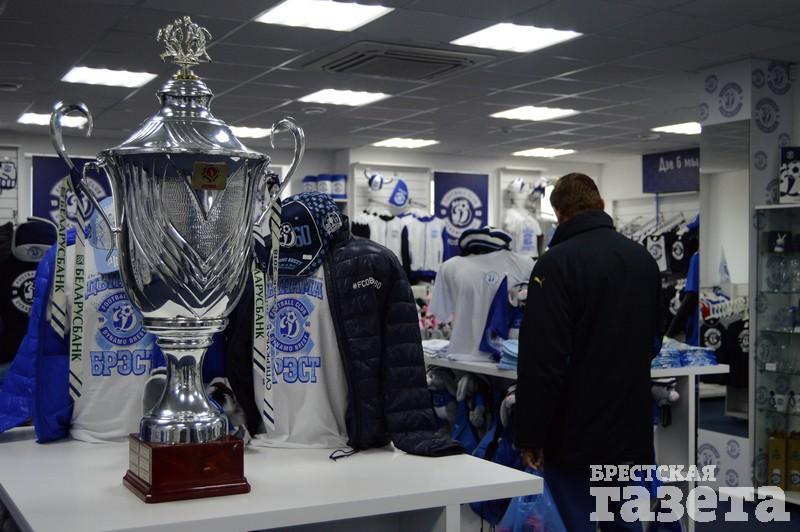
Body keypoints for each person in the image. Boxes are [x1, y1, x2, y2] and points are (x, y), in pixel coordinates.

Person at [515, 173, 662, 532]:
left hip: (574, 429)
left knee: (573, 521)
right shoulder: (642, 259)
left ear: (558, 214)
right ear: (601, 206)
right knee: (623, 521)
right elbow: (654, 342)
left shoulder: (554, 265)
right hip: (629, 424)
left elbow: (543, 360)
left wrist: (531, 433)